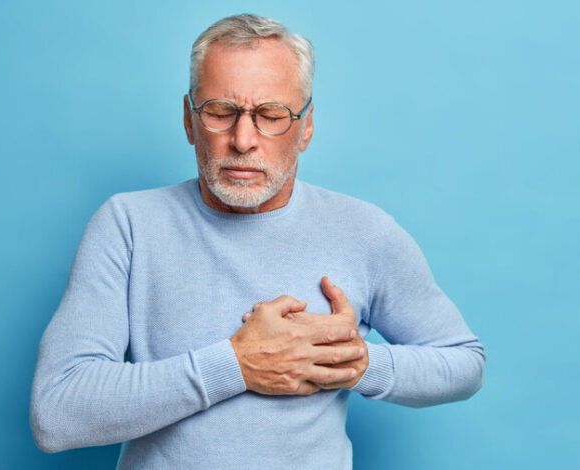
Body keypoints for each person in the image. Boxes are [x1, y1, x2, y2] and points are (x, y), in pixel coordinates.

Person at [30, 13, 485, 469]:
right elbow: (57, 412)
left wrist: (356, 363)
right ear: (189, 120)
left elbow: (464, 364)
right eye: (220, 112)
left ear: (306, 126)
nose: (243, 140)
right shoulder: (128, 224)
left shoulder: (366, 232)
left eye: (271, 115)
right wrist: (236, 364)